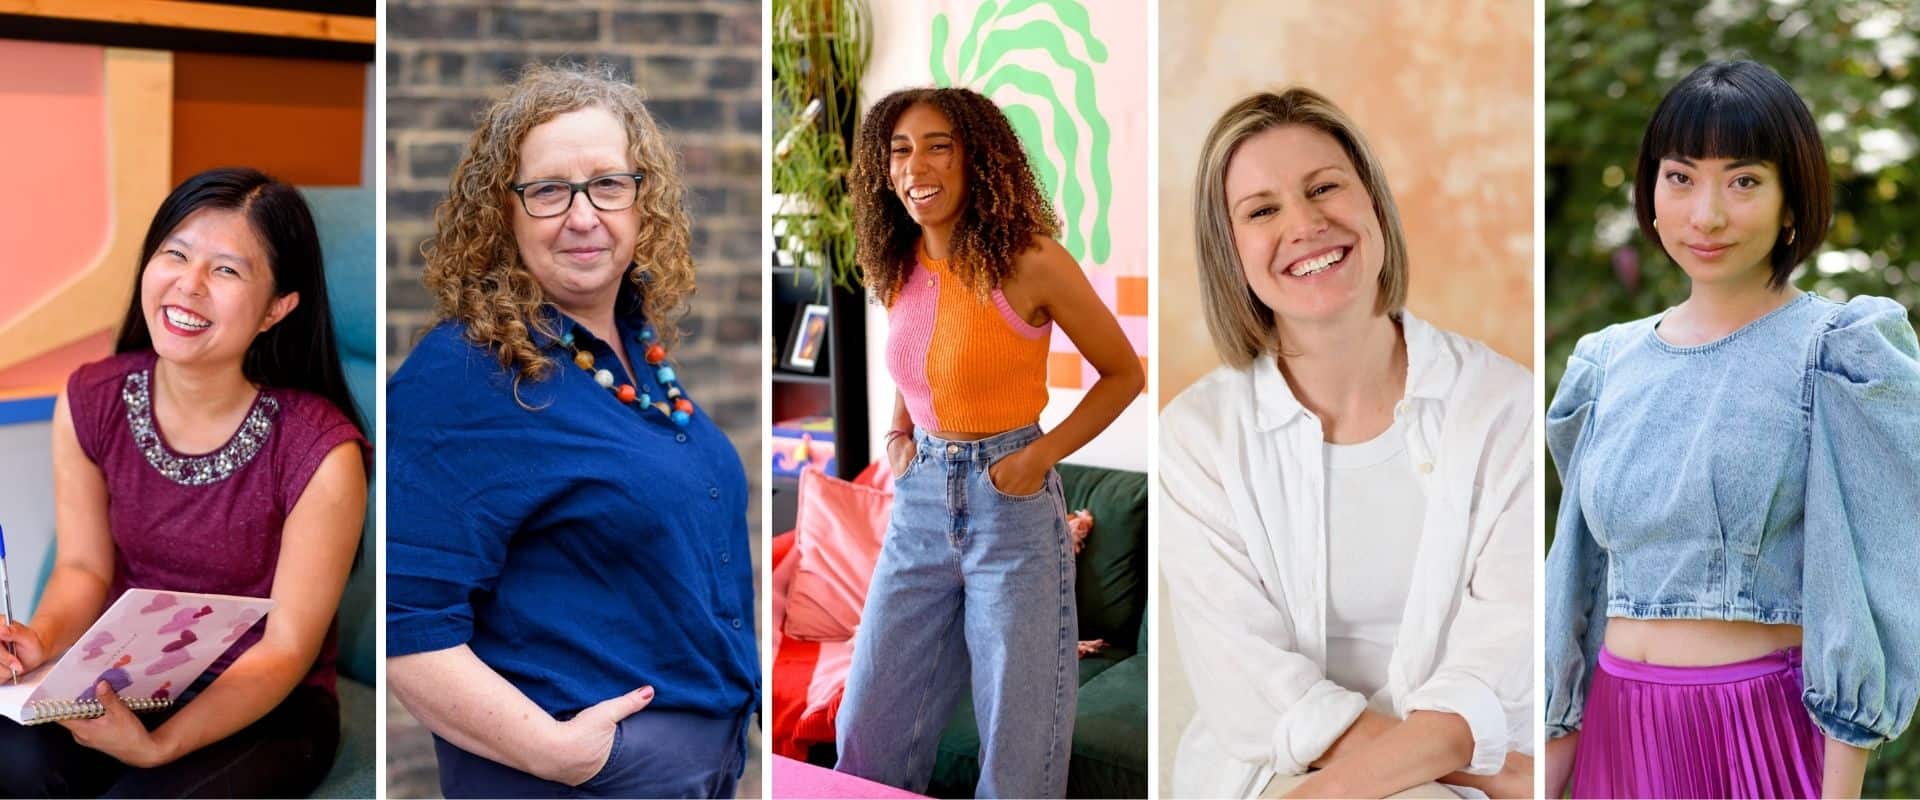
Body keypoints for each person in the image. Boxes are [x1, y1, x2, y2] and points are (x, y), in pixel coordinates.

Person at [1543, 59, 1920, 799]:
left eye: (1743, 181)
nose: (1706, 215)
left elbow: (1877, 581)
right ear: (1650, 191)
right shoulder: (1606, 362)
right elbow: (1575, 581)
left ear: (1790, 202)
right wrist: (1555, 757)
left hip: (1758, 733)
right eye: (1680, 177)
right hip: (1616, 732)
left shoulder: (1838, 355)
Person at [383, 63, 757, 799]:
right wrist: (563, 755)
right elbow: (406, 627)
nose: (583, 215)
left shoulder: (627, 348)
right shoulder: (466, 372)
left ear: (644, 201)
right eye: (549, 190)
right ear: (504, 212)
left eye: (608, 185)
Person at [1160, 88, 1535, 799]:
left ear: (1372, 205)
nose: (1304, 224)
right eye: (1262, 210)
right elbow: (1253, 684)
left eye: (1324, 187)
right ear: (1229, 250)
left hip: (1465, 766)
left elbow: (1500, 655)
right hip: (1278, 767)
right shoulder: (1196, 437)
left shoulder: (1502, 405)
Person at [0, 166, 370, 797]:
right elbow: (85, 567)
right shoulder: (92, 397)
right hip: (122, 681)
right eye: (175, 253)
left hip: (263, 702)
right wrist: (39, 641)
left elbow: (284, 649)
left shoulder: (321, 451)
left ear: (276, 308)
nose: (188, 285)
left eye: (226, 270)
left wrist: (158, 747)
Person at [831, 86, 1143, 798]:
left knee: (1017, 741)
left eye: (939, 144)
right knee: (868, 724)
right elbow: (914, 362)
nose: (917, 165)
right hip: (916, 508)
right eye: (900, 149)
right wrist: (898, 431)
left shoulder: (1031, 260)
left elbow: (1123, 374)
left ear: (978, 158)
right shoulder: (896, 260)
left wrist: (1037, 458)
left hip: (1012, 508)